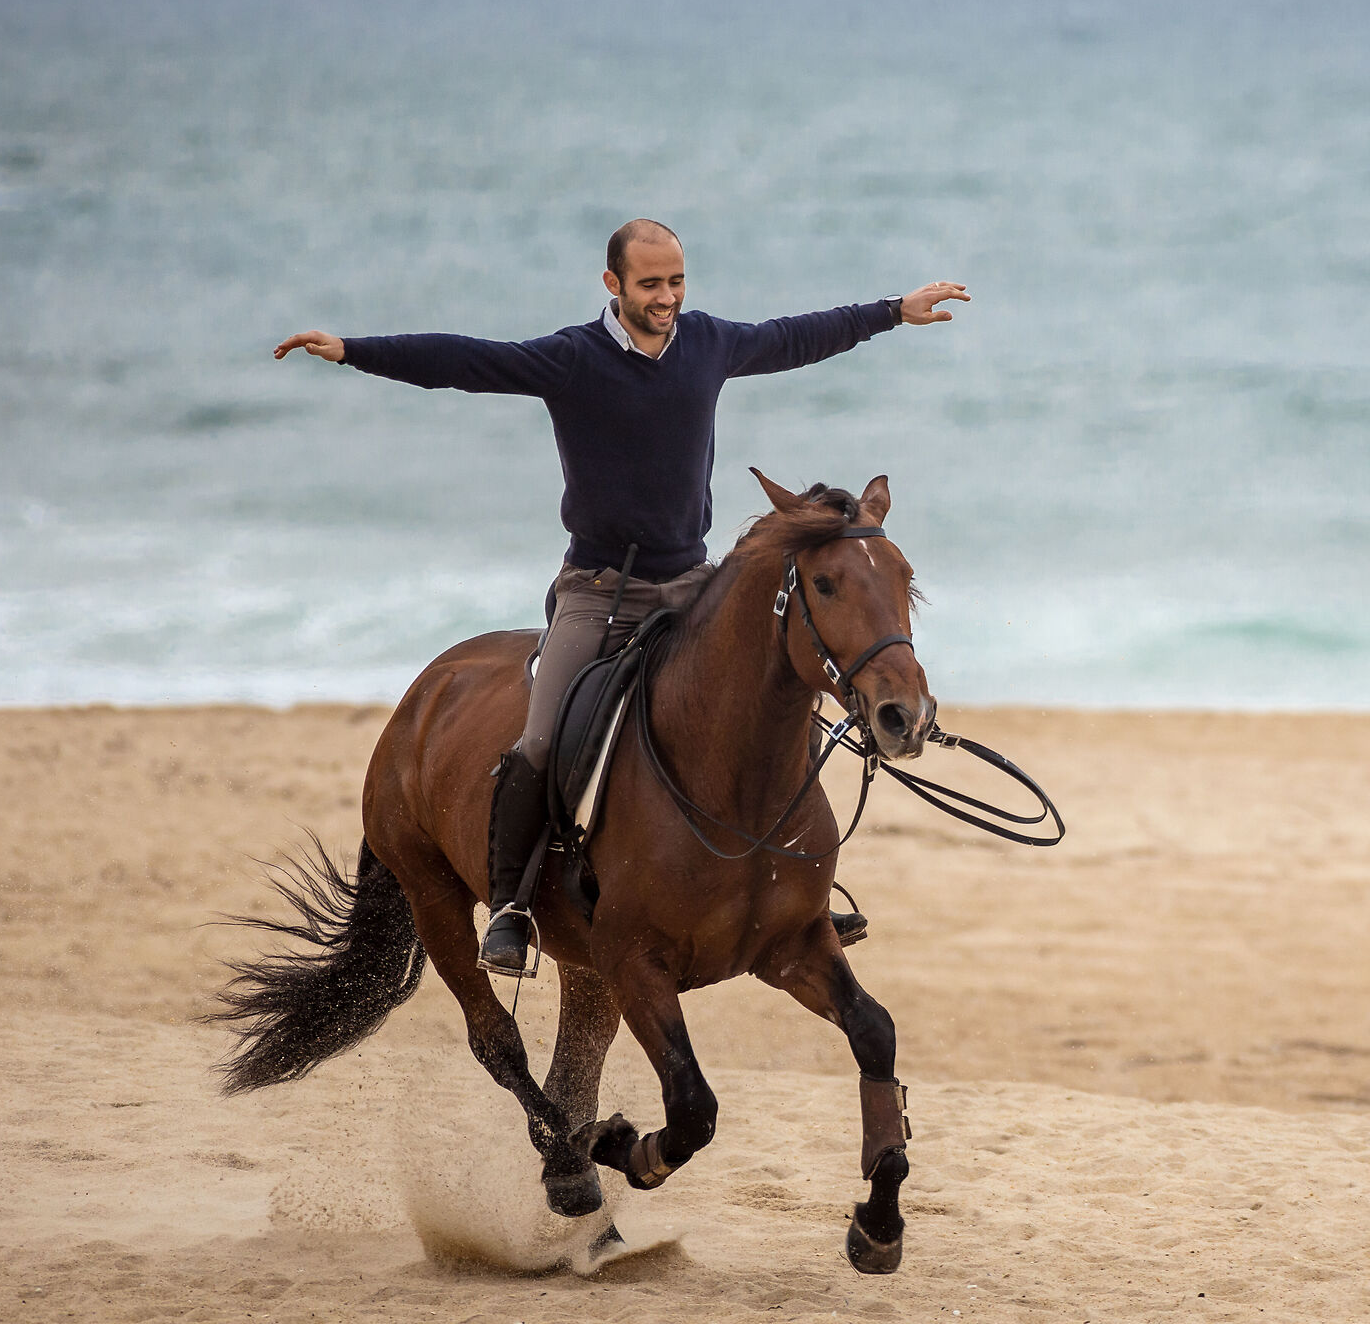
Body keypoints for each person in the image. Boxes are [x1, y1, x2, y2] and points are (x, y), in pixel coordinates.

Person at [276, 217, 968, 975]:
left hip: (692, 585)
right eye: (650, 284)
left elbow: (795, 337)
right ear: (613, 284)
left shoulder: (708, 344)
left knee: (785, 701)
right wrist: (353, 351)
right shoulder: (573, 360)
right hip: (598, 590)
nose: (667, 297)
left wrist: (891, 310)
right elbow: (466, 360)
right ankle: (511, 907)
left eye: (676, 282)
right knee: (541, 740)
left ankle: (794, 887)